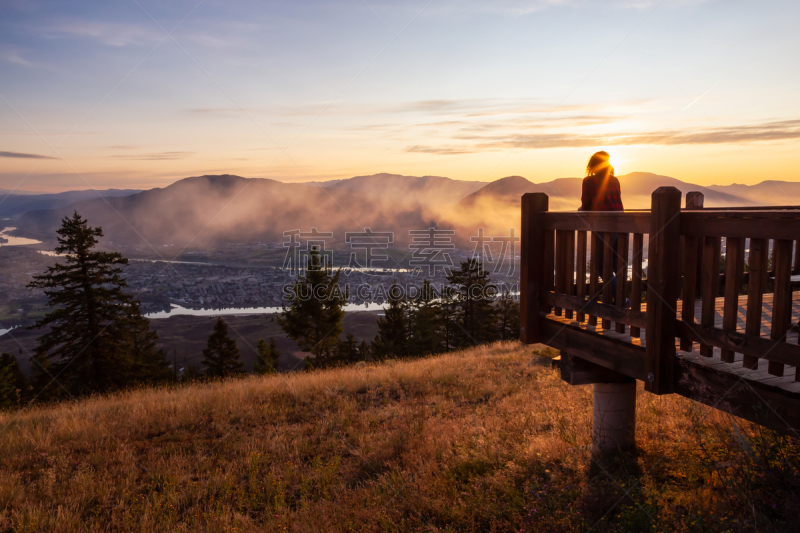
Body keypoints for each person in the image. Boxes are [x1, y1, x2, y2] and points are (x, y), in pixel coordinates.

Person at [578, 151, 625, 304]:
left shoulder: (589, 181)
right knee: (614, 265)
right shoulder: (615, 180)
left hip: (603, 227)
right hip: (619, 226)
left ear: (592, 164)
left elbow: (586, 205)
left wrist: (580, 211)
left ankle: (620, 300)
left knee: (600, 266)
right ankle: (622, 299)